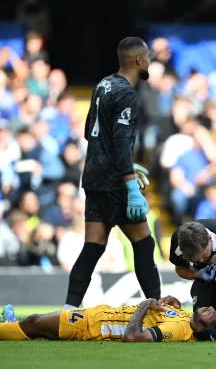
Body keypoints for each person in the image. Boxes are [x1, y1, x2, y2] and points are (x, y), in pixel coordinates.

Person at [65, 37, 161, 309]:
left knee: (93, 246)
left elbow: (89, 132)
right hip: (114, 180)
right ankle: (155, 306)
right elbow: (121, 142)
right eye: (148, 57)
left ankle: (69, 310)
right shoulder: (127, 94)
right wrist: (130, 184)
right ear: (140, 60)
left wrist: (126, 164)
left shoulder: (103, 85)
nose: (150, 62)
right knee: (143, 241)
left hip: (93, 177)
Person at [0, 296, 216, 343]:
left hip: (91, 326)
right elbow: (165, 313)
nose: (208, 309)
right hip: (97, 313)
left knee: (35, 321)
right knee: (34, 326)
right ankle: (9, 327)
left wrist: (144, 305)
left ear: (207, 327)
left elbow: (133, 336)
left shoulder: (178, 329)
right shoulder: (182, 315)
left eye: (212, 314)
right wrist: (168, 302)